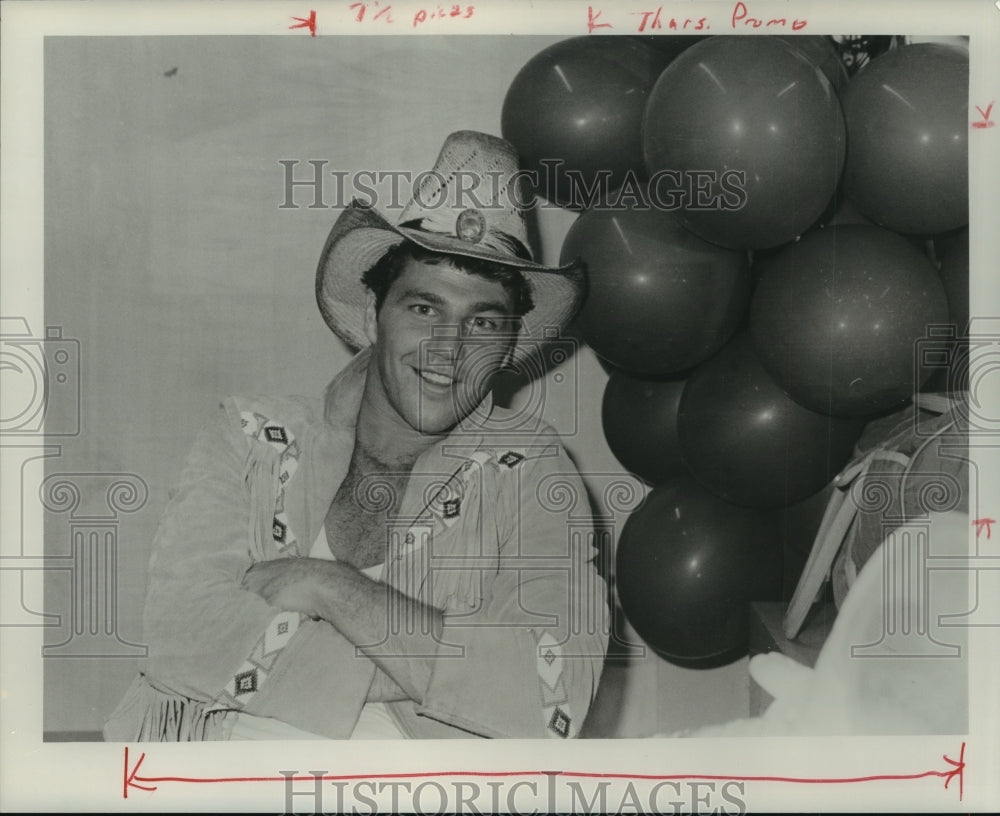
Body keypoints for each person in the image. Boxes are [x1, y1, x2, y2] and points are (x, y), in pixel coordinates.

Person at [104, 130, 609, 741]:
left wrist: (325, 586)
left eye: (482, 321)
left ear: (507, 347)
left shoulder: (533, 471)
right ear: (374, 317)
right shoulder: (248, 435)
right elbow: (180, 638)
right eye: (424, 309)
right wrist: (446, 663)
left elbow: (548, 700)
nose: (449, 350)